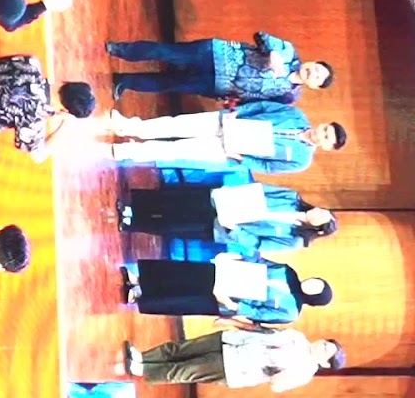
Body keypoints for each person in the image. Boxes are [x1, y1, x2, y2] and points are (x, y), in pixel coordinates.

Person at [106, 102, 346, 174]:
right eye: (325, 129)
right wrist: (236, 113)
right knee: (174, 124)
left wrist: (241, 158)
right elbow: (263, 107)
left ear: (327, 147)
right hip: (226, 122)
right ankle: (129, 127)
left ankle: (128, 152)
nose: (321, 134)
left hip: (229, 150)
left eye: (326, 138)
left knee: (176, 150)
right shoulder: (296, 115)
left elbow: (268, 167)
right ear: (323, 124)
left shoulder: (302, 160)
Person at [108, 33, 333, 103]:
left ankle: (124, 81)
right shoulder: (288, 52)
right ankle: (121, 49)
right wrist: (273, 53)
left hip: (217, 85)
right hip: (215, 54)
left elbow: (259, 104)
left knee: (169, 84)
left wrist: (233, 103)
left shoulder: (288, 96)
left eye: (317, 77)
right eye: (316, 68)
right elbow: (261, 36)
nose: (313, 72)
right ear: (312, 62)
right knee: (166, 53)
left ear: (314, 86)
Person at [121, 184, 337, 255]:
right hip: (224, 203)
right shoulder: (292, 198)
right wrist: (232, 193)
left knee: (173, 225)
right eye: (322, 210)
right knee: (175, 202)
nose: (317, 213)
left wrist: (234, 230)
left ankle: (134, 223)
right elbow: (260, 189)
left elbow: (258, 244)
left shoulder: (295, 240)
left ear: (317, 229)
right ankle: (133, 206)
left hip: (223, 227)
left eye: (321, 218)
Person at [123, 257, 333, 325]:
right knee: (180, 274)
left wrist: (231, 304)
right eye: (316, 281)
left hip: (226, 299)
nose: (311, 284)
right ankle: (140, 278)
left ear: (314, 299)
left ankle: (141, 296)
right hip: (226, 274)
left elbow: (259, 314)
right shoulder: (288, 272)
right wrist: (236, 258)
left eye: (315, 289)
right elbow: (259, 262)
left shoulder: (291, 311)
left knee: (183, 299)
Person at [118, 330, 345, 391]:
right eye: (325, 343)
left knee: (186, 369)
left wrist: (291, 372)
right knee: (182, 349)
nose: (321, 345)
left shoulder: (304, 373)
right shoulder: (299, 337)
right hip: (232, 341)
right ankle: (144, 357)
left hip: (235, 367)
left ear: (325, 363)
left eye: (326, 350)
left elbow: (276, 386)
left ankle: (143, 370)